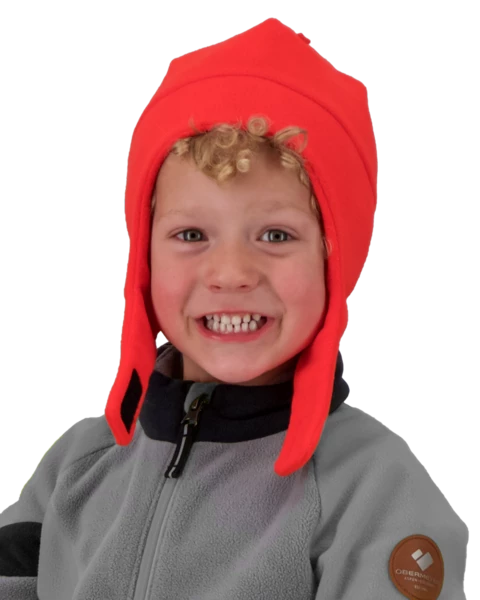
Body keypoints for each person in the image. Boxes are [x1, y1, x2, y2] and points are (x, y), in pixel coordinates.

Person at [0, 17, 468, 600]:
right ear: (144, 259)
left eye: (275, 235)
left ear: (335, 258)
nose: (230, 273)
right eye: (192, 234)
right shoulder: (78, 465)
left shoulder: (377, 492)